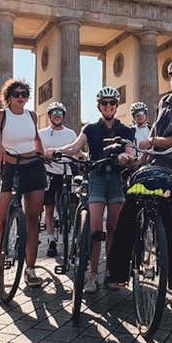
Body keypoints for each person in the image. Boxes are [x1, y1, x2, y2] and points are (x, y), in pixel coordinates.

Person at [110, 60, 172, 309]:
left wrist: (153, 142)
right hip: (153, 167)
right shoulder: (164, 101)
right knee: (129, 212)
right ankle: (118, 272)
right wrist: (139, 161)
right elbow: (153, 136)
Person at [48, 87, 134, 293]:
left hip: (117, 180)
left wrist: (127, 157)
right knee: (96, 231)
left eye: (112, 103)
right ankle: (92, 274)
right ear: (99, 107)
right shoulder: (90, 129)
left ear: (117, 106)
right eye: (104, 103)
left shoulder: (125, 130)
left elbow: (130, 152)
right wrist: (56, 151)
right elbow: (75, 147)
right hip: (96, 179)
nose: (108, 107)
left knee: (114, 228)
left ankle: (112, 271)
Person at [0, 79, 47, 294]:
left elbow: (35, 138)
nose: (21, 97)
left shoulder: (31, 115)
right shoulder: (0, 115)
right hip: (11, 168)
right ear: (8, 97)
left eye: (24, 94)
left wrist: (43, 154)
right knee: (2, 222)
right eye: (16, 94)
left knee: (33, 220)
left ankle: (30, 270)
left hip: (34, 166)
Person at [37, 101, 77, 258]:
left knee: (66, 207)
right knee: (49, 208)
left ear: (63, 116)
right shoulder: (41, 133)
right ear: (49, 116)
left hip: (66, 173)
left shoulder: (71, 134)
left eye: (60, 113)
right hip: (49, 174)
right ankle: (51, 240)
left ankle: (69, 236)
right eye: (54, 113)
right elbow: (38, 151)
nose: (57, 115)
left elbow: (76, 151)